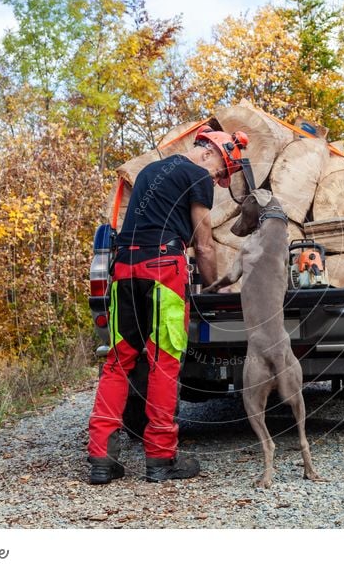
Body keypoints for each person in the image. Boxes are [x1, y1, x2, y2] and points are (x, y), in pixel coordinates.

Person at [87, 126, 249, 484]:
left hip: (124, 270)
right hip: (162, 269)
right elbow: (203, 243)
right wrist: (215, 286)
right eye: (221, 171)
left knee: (118, 362)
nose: (218, 178)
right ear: (209, 153)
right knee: (164, 361)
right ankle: (161, 460)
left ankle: (101, 458)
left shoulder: (149, 171)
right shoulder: (197, 175)